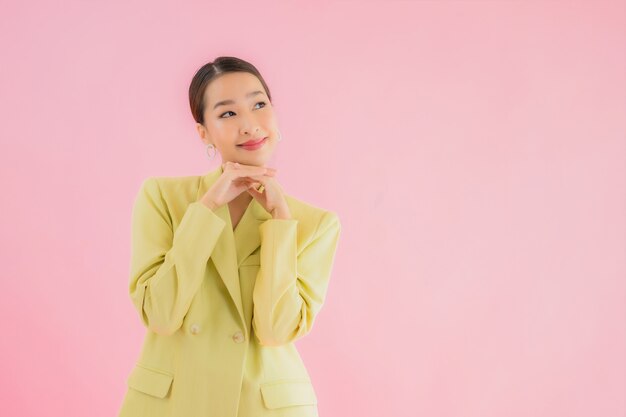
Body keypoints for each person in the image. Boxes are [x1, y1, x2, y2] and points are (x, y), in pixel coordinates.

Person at [117, 56, 341, 417]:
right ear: (203, 132)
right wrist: (206, 208)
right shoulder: (163, 198)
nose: (250, 125)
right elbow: (160, 314)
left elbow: (274, 330)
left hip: (263, 407)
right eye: (227, 114)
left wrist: (281, 223)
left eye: (258, 105)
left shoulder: (314, 224)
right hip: (173, 404)